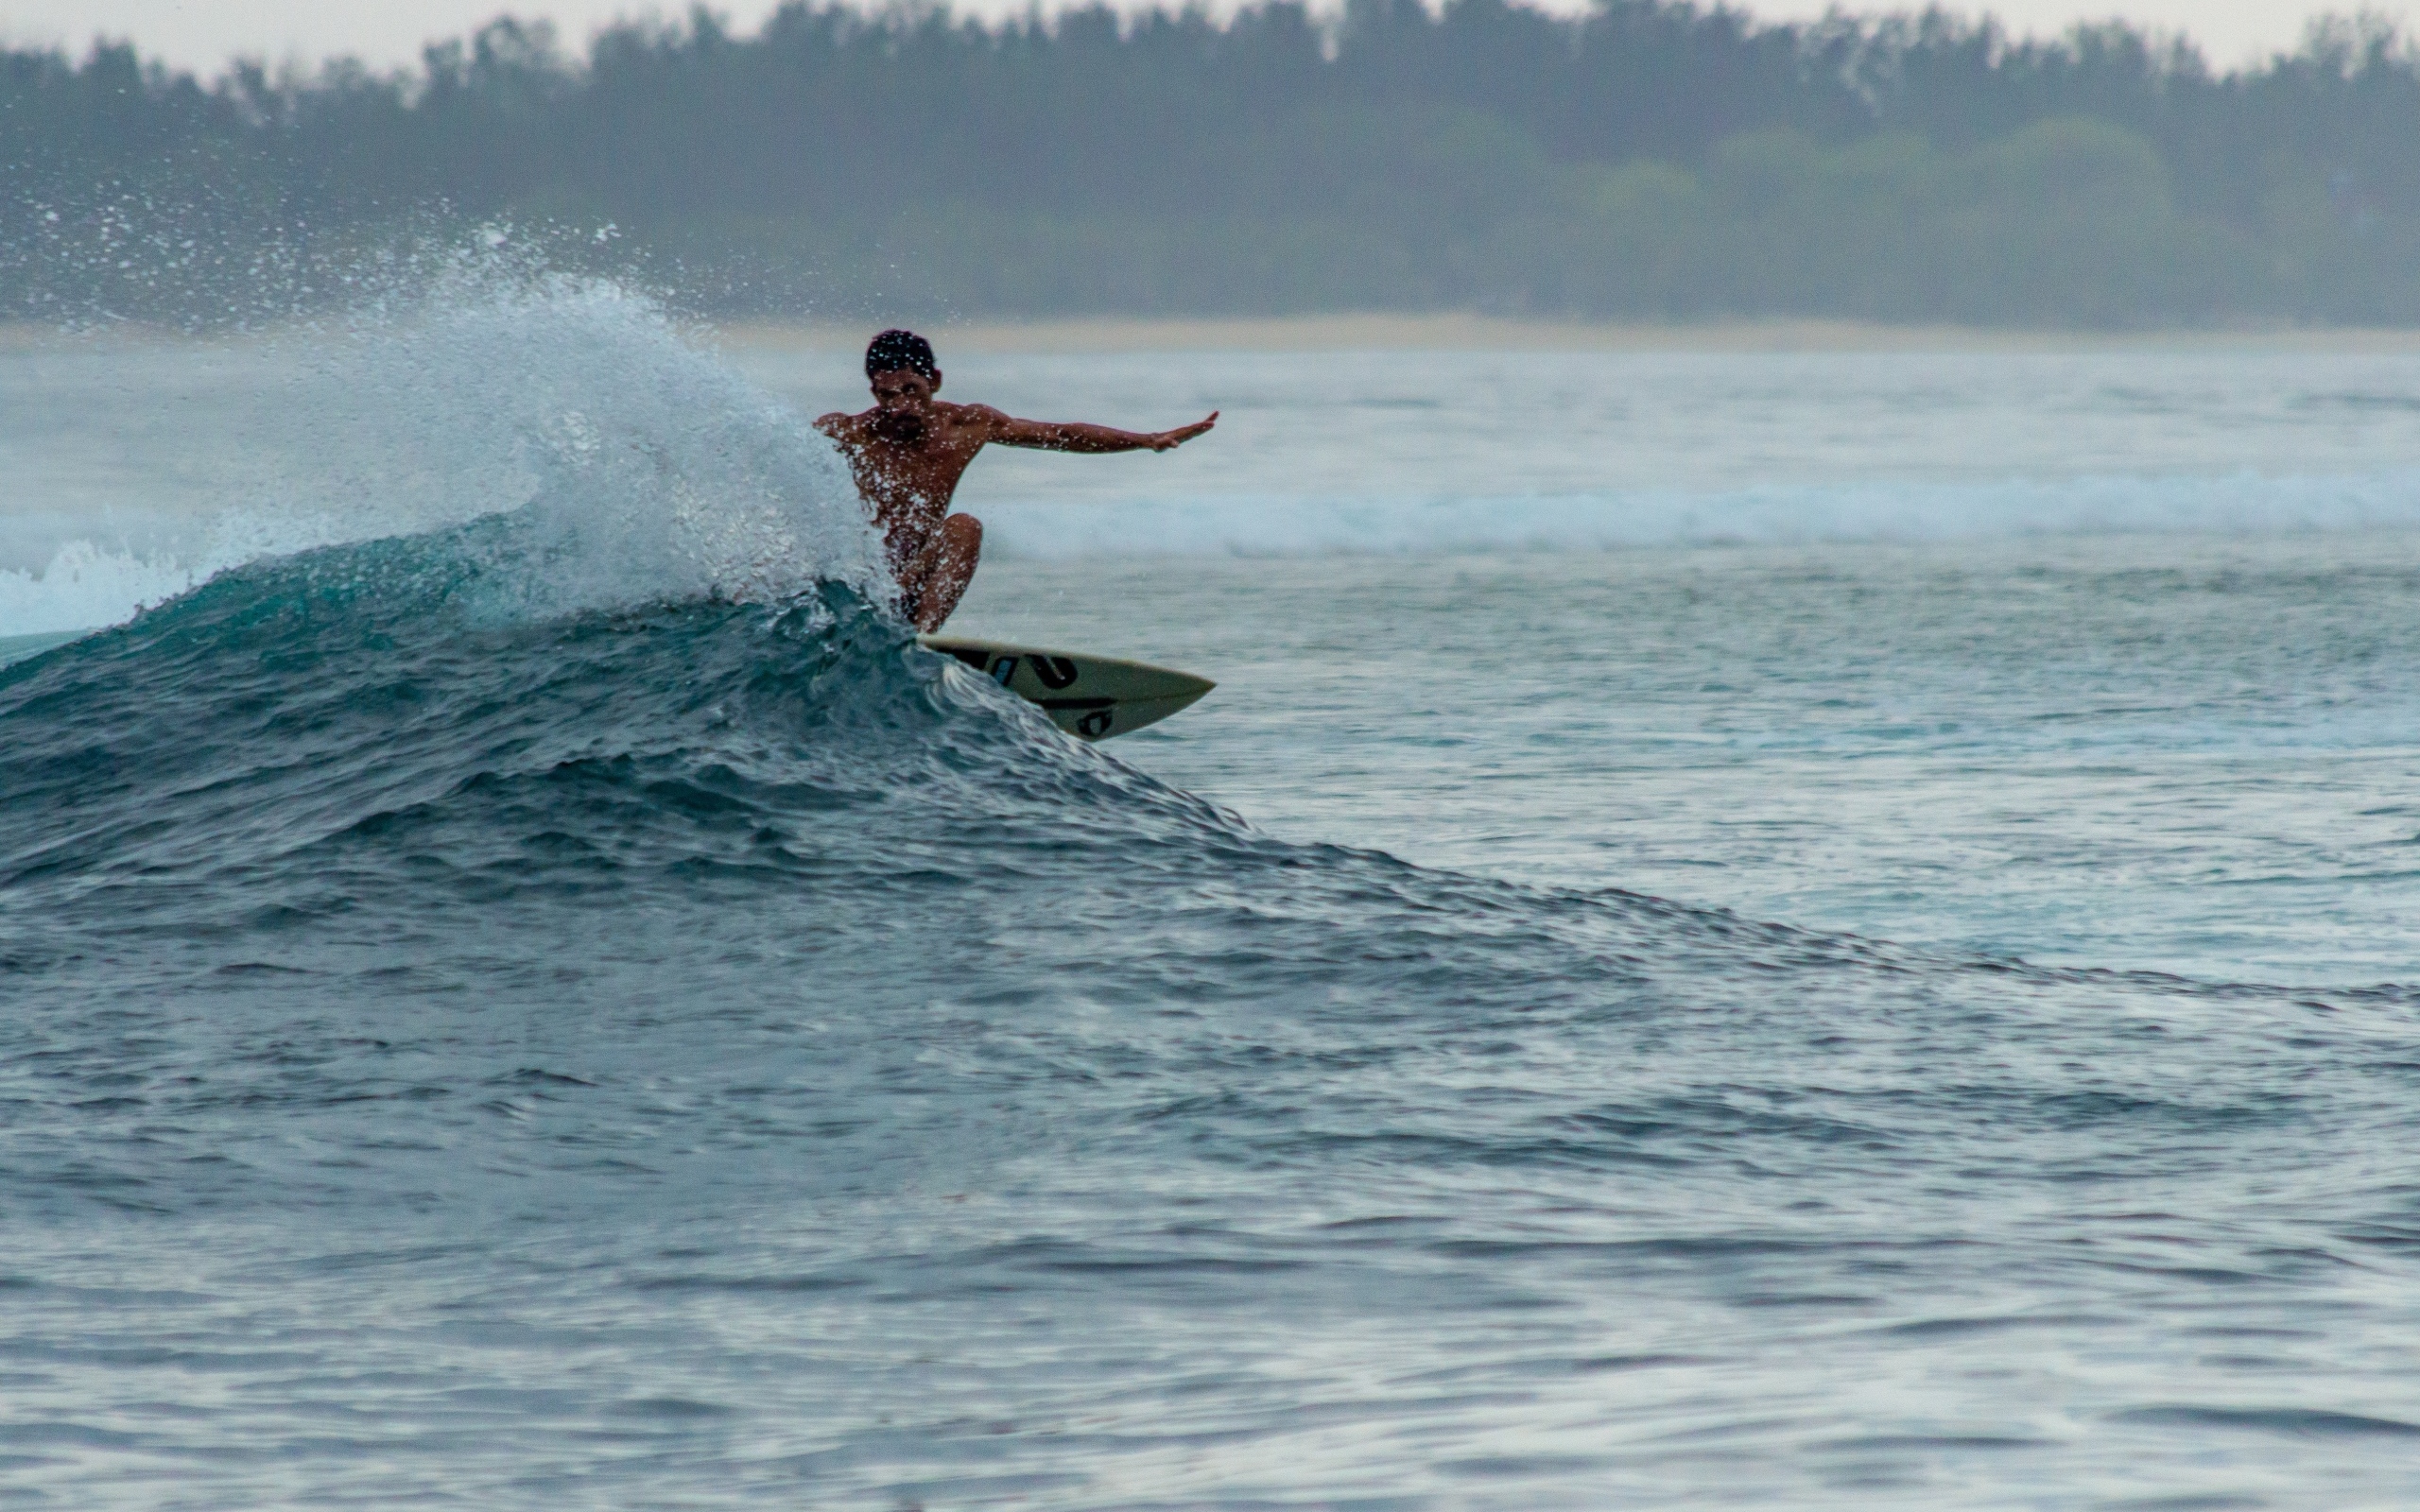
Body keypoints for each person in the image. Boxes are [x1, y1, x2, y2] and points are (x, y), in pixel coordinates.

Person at [816, 329, 1218, 630]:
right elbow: (777, 462)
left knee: (964, 528)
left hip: (918, 583)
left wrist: (1146, 440)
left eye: (911, 390)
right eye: (888, 395)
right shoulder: (846, 433)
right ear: (873, 392)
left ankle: (921, 642)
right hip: (861, 585)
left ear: (934, 382)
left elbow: (1060, 435)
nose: (901, 405)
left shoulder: (967, 425)